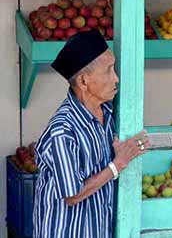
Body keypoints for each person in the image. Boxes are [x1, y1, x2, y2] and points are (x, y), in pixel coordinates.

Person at [33, 29, 149, 238]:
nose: (116, 78)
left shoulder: (107, 113)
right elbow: (72, 195)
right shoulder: (62, 131)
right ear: (84, 82)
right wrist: (118, 164)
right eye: (108, 71)